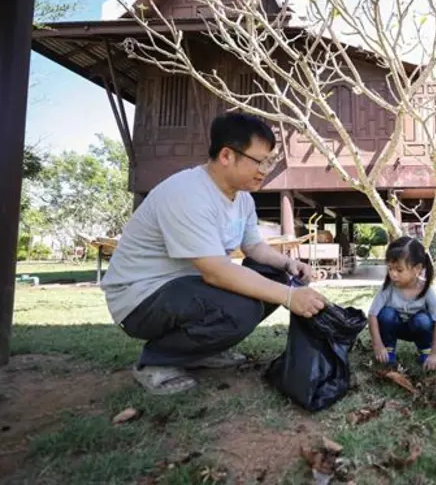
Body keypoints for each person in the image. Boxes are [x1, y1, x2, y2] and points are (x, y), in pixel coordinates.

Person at [101, 112, 328, 395]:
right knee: (242, 308)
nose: (266, 170)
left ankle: (202, 350)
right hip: (142, 297)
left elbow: (254, 248)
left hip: (189, 289)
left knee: (277, 276)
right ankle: (155, 362)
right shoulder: (187, 193)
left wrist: (290, 263)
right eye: (260, 161)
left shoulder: (242, 198)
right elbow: (216, 271)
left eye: (269, 161)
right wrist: (290, 297)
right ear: (226, 156)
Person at [368, 236, 436, 371]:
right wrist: (378, 346)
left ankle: (425, 350)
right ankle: (388, 349)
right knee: (386, 314)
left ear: (417, 269)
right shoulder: (388, 288)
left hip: (417, 328)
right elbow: (372, 315)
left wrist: (435, 355)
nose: (393, 274)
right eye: (390, 268)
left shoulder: (426, 290)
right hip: (395, 327)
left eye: (399, 270)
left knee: (423, 320)